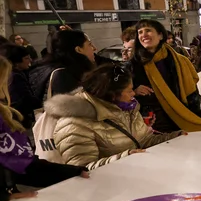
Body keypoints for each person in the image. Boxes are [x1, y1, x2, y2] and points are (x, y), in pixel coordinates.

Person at [45, 63, 185, 170]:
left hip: (134, 177)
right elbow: (81, 170)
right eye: (129, 91)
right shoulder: (74, 123)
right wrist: (126, 157)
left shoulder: (126, 109)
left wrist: (174, 138)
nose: (133, 94)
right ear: (112, 94)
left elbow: (143, 142)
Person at [0, 58, 88, 201]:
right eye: (4, 80)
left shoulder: (6, 117)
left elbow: (24, 166)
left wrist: (73, 172)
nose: (7, 86)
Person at [131, 19, 201, 133]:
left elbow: (192, 96)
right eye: (140, 32)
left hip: (183, 117)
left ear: (160, 35)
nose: (144, 35)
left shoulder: (180, 61)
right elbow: (120, 95)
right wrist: (134, 91)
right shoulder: (133, 65)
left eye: (148, 30)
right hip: (154, 124)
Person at [29, 30, 96, 101]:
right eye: (89, 44)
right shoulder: (63, 75)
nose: (94, 48)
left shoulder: (46, 67)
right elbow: (67, 105)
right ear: (78, 49)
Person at [4, 44, 39, 128]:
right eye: (26, 58)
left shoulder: (16, 73)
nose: (30, 60)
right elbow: (26, 98)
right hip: (19, 118)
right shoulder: (16, 76)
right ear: (17, 61)